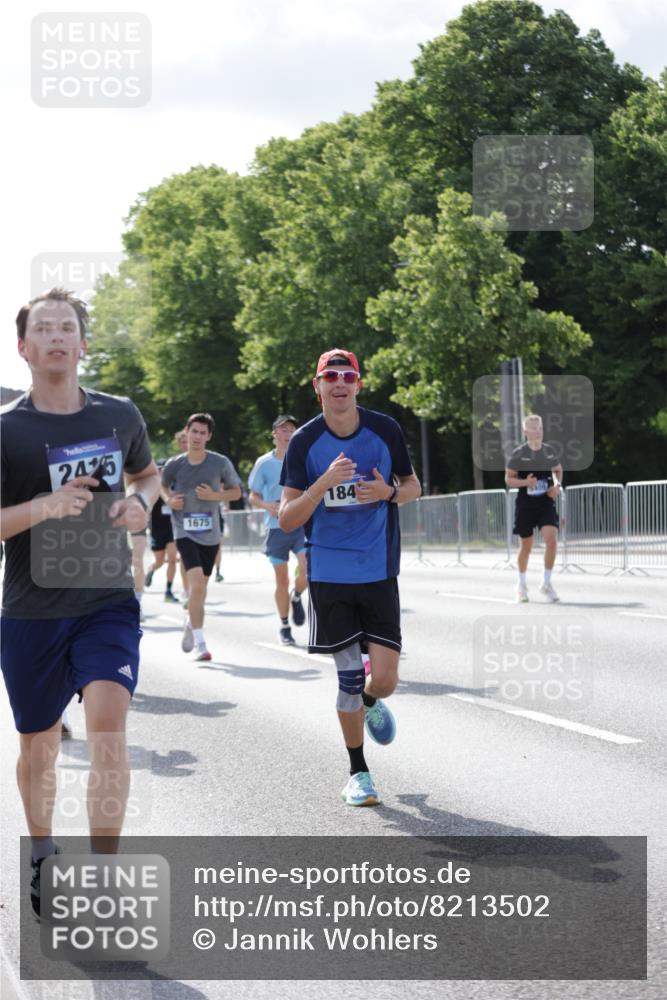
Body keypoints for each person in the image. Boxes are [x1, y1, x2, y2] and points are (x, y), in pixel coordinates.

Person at [0, 288, 160, 918]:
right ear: (24, 347)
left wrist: (139, 503)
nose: (57, 336)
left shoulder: (119, 415)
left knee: (108, 732)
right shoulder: (7, 430)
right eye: (44, 328)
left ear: (83, 343)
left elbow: (148, 474)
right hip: (32, 611)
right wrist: (43, 507)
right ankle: (43, 852)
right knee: (38, 747)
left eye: (67, 327)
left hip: (106, 601)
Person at [279, 350, 421, 806]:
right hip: (330, 575)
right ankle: (358, 773)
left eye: (347, 375)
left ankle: (372, 703)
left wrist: (388, 492)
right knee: (349, 681)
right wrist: (322, 484)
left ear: (358, 384)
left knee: (385, 680)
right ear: (317, 385)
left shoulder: (385, 429)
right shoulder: (304, 442)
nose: (339, 383)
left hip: (378, 570)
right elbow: (286, 517)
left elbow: (413, 487)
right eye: (330, 376)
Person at [161, 413, 242, 661]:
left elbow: (236, 492)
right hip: (184, 530)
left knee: (201, 590)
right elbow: (161, 485)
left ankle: (190, 621)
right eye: (193, 431)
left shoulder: (220, 463)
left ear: (209, 436)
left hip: (210, 533)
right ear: (186, 432)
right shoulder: (175, 464)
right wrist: (169, 499)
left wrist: (214, 496)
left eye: (202, 433)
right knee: (196, 585)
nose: (197, 436)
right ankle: (201, 644)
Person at [249, 415, 308, 645]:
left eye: (292, 430)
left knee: (307, 570)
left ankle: (297, 596)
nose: (288, 434)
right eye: (283, 430)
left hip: (301, 524)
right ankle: (284, 626)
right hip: (276, 528)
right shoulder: (264, 463)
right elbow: (253, 495)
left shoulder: (303, 458)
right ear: (274, 434)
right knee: (282, 580)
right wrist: (267, 506)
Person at [505, 413, 563, 602]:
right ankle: (521, 586)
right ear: (525, 432)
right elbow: (508, 479)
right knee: (526, 546)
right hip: (526, 505)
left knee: (551, 540)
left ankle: (546, 583)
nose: (538, 432)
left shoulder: (549, 451)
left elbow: (558, 470)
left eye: (540, 428)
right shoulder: (519, 454)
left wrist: (557, 486)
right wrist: (526, 482)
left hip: (545, 502)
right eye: (533, 429)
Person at [144, 460, 179, 603]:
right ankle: (151, 570)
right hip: (156, 529)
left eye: (165, 469)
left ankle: (168, 591)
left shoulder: (173, 486)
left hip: (171, 528)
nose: (163, 472)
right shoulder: (152, 487)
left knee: (172, 560)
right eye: (160, 469)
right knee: (159, 561)